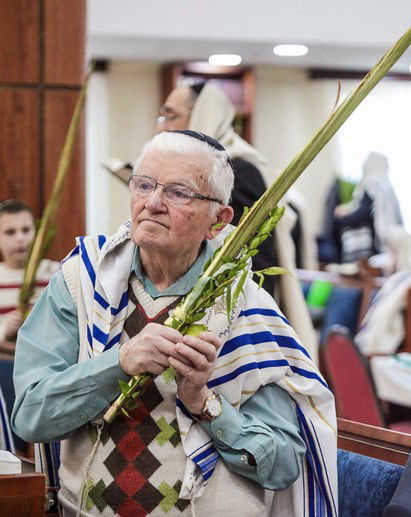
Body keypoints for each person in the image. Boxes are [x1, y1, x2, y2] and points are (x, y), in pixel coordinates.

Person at [12, 131, 336, 515]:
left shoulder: (246, 308)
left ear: (219, 219)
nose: (152, 203)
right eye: (144, 184)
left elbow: (282, 466)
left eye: (178, 192)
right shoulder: (81, 281)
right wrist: (118, 363)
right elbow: (30, 417)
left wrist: (204, 403)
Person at [158, 82, 316, 356]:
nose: (162, 128)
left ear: (202, 116)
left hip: (233, 326)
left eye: (170, 116)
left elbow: (256, 265)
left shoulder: (237, 172)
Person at [0, 199, 59, 342]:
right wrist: (4, 329)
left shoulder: (55, 272)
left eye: (26, 230)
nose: (20, 238)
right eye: (10, 232)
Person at [334, 152, 404, 263]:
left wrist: (341, 219)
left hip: (377, 242)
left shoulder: (372, 184)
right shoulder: (386, 185)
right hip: (391, 240)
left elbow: (362, 213)